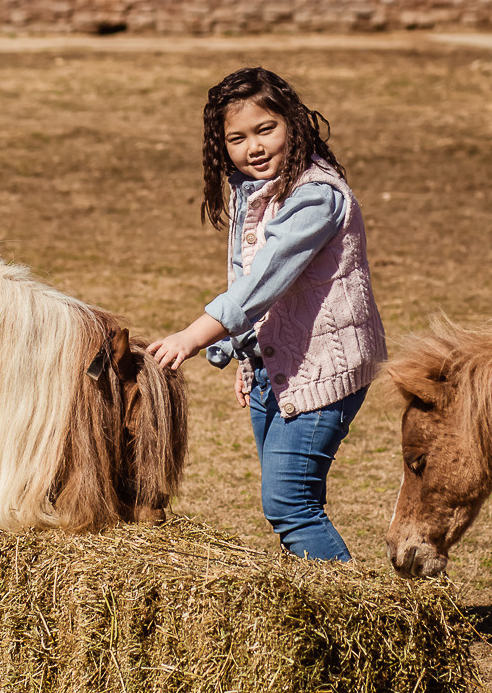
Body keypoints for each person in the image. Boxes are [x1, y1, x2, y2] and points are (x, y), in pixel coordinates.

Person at [147, 68, 386, 561]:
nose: (252, 147)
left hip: (322, 372)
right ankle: (317, 611)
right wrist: (245, 357)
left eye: (265, 129)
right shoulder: (250, 193)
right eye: (236, 138)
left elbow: (261, 285)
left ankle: (350, 620)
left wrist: (193, 336)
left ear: (294, 124)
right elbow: (250, 285)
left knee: (288, 503)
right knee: (297, 500)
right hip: (274, 372)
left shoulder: (315, 197)